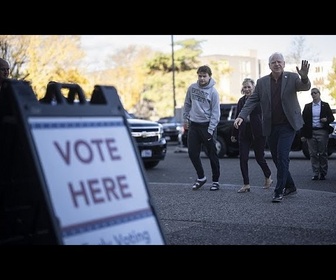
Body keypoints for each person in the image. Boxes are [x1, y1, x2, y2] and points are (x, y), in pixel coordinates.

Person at [233, 52, 311, 203]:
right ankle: (291, 186)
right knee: (276, 158)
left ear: (284, 64)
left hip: (288, 125)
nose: (277, 64)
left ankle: (279, 191)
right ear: (269, 65)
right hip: (270, 126)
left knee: (282, 156)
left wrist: (304, 77)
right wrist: (241, 116)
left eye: (279, 61)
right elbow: (252, 101)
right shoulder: (262, 82)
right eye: (273, 62)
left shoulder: (292, 78)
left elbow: (304, 87)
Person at [231, 78, 273, 193]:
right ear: (242, 89)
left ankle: (268, 176)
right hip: (244, 132)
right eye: (245, 87)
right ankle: (246, 184)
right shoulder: (241, 101)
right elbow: (237, 117)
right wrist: (234, 134)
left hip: (258, 132)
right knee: (243, 158)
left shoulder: (258, 100)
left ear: (253, 88)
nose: (247, 89)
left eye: (249, 87)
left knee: (259, 157)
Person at [183, 65, 221, 191]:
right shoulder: (192, 88)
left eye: (204, 76)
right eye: (200, 76)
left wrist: (210, 130)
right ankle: (201, 178)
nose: (202, 79)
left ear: (209, 76)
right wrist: (185, 118)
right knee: (192, 153)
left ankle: (215, 181)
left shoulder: (213, 92)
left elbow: (216, 112)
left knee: (212, 154)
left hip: (207, 126)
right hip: (194, 125)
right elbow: (187, 104)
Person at [300, 88, 335, 180]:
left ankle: (323, 172)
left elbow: (331, 118)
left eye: (315, 93)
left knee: (323, 153)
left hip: (322, 131)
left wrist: (326, 120)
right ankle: (315, 173)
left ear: (319, 94)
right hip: (311, 132)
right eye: (312, 93)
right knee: (313, 153)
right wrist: (303, 135)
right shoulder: (307, 106)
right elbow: (303, 121)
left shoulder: (325, 105)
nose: (313, 95)